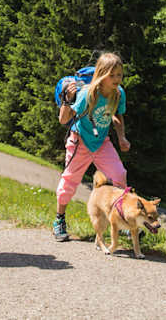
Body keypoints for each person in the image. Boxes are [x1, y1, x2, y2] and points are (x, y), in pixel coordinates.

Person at [52, 52, 130, 242]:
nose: (116, 79)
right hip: (80, 142)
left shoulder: (119, 93)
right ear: (102, 75)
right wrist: (67, 99)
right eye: (112, 75)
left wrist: (121, 137)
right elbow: (63, 119)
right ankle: (59, 220)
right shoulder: (88, 94)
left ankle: (121, 219)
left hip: (101, 143)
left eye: (119, 75)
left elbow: (118, 116)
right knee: (69, 180)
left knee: (119, 175)